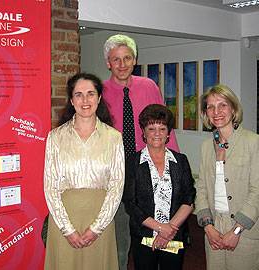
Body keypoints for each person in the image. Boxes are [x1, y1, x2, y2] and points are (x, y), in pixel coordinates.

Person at [102, 34, 180, 269]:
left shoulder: (148, 86)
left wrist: (175, 167)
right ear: (108, 62)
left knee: (154, 229)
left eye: (127, 58)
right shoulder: (100, 93)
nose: (122, 64)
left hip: (148, 170)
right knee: (119, 237)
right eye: (116, 59)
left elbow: (165, 125)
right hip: (114, 173)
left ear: (134, 60)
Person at [44, 72, 125, 270]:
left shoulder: (113, 137)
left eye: (90, 93)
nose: (85, 100)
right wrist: (67, 229)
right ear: (71, 100)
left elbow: (116, 185)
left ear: (99, 98)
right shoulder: (55, 137)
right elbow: (50, 187)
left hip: (101, 219)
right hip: (64, 220)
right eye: (78, 94)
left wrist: (96, 228)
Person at [123, 104, 195, 270]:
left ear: (168, 133)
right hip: (144, 235)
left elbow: (189, 198)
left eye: (162, 129)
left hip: (175, 234)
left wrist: (169, 230)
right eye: (151, 128)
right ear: (144, 132)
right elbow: (130, 203)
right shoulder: (133, 162)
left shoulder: (180, 160)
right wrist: (161, 228)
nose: (157, 134)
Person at [195, 84, 259, 270]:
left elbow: (257, 191)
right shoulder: (206, 146)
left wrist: (236, 230)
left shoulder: (253, 142)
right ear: (206, 113)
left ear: (233, 108)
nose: (216, 112)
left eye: (222, 105)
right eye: (210, 107)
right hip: (214, 228)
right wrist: (208, 227)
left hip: (244, 230)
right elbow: (201, 188)